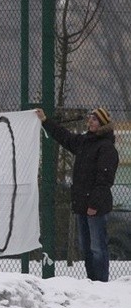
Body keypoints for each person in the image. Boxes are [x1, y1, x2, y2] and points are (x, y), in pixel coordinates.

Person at [36, 107, 119, 282]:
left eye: (95, 120)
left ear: (103, 123)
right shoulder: (84, 142)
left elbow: (104, 180)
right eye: (90, 119)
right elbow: (64, 137)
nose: (91, 122)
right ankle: (91, 280)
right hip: (81, 205)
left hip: (95, 207)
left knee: (97, 247)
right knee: (86, 247)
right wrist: (45, 121)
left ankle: (101, 282)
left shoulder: (106, 147)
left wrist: (94, 205)